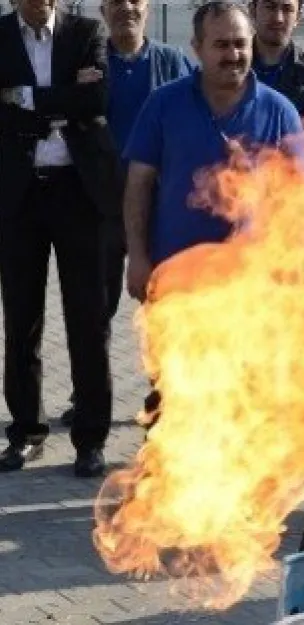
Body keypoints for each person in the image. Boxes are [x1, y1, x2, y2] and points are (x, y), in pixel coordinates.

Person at [55, 0, 195, 429]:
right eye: (115, 2)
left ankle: (162, 402)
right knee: (94, 312)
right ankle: (88, 398)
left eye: (134, 1)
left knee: (161, 313)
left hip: (155, 215)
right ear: (103, 10)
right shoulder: (90, 61)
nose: (125, 9)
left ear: (147, 8)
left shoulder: (173, 63)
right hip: (97, 209)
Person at [0, 0, 117, 477]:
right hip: (18, 197)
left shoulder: (87, 33)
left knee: (88, 321)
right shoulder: (1, 36)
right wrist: (64, 98)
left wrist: (23, 98)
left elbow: (96, 101)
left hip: (78, 193)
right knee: (21, 320)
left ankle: (91, 439)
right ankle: (26, 432)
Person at [122, 2, 304, 307]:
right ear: (197, 47)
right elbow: (138, 185)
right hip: (174, 282)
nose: (233, 55)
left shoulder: (281, 113)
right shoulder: (162, 105)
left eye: (240, 44)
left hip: (252, 289)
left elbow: (298, 202)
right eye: (221, 45)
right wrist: (138, 257)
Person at [249, 0, 304, 135]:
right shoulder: (231, 64)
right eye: (270, 7)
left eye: (287, 9)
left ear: (298, 18)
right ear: (252, 11)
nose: (278, 18)